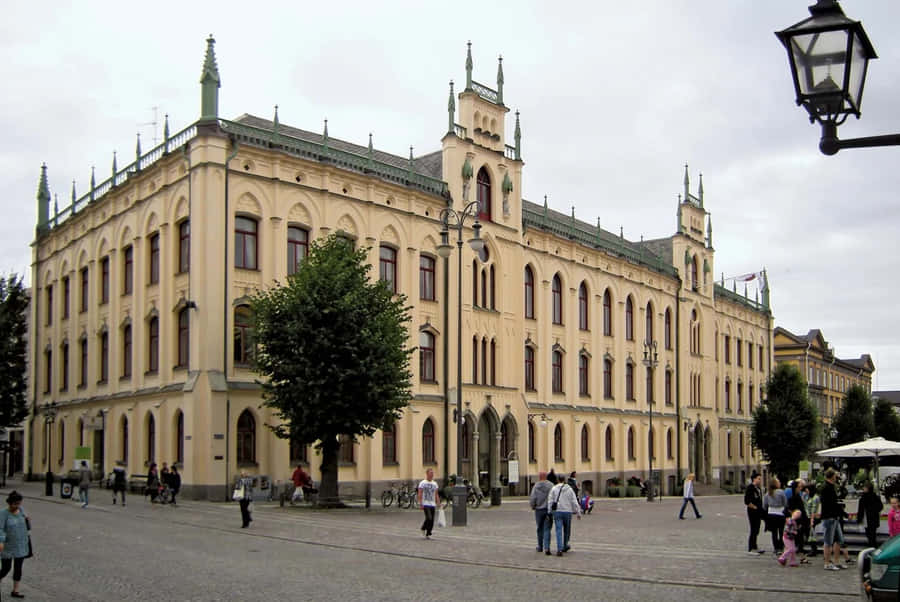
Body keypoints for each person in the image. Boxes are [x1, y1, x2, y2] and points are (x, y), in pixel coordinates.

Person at [0, 491, 29, 598]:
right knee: (6, 568)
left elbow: (25, 521)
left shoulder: (21, 510)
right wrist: (1, 541)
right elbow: (0, 529)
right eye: (15, 504)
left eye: (19, 503)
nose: (17, 506)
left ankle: (15, 591)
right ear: (9, 503)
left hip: (21, 544)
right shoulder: (3, 513)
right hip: (8, 546)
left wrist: (27, 520)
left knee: (18, 568)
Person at [548, 474, 581, 556]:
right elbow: (574, 501)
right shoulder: (569, 489)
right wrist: (578, 512)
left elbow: (550, 500)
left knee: (558, 530)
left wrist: (549, 511)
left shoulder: (554, 488)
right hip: (567, 511)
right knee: (567, 529)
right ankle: (565, 545)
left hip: (557, 511)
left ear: (558, 480)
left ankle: (559, 549)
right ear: (564, 480)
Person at [821, 468, 847, 570]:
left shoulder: (831, 487)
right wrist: (841, 511)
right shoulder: (827, 488)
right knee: (828, 541)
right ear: (832, 476)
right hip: (829, 517)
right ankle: (827, 563)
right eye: (835, 476)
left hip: (834, 517)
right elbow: (831, 503)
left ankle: (836, 561)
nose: (837, 477)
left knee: (839, 540)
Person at [529, 471, 554, 553]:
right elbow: (554, 496)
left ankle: (540, 546)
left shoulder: (536, 486)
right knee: (547, 529)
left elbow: (533, 497)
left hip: (539, 510)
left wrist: (533, 506)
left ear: (539, 477)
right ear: (546, 477)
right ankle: (547, 547)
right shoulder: (551, 485)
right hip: (548, 509)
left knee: (540, 528)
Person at [787, 479, 810, 562]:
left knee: (797, 540)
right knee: (798, 539)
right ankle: (799, 557)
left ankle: (794, 556)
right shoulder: (795, 498)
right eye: (799, 487)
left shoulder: (796, 497)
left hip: (798, 520)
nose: (800, 488)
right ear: (796, 488)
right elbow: (796, 510)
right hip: (798, 521)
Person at [763, 477, 787, 555]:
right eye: (778, 482)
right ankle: (781, 547)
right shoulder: (781, 492)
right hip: (780, 514)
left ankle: (776, 548)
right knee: (781, 532)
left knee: (774, 533)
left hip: (771, 514)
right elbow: (785, 503)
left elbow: (764, 506)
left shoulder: (767, 493)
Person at [744, 471, 765, 554]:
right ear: (754, 479)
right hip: (752, 512)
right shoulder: (750, 488)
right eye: (758, 479)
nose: (760, 480)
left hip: (758, 512)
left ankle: (755, 546)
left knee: (757, 529)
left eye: (760, 479)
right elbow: (747, 501)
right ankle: (751, 548)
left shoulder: (758, 488)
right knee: (753, 529)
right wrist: (754, 507)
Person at [859, 481, 884, 548]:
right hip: (868, 519)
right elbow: (861, 509)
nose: (863, 488)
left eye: (865, 487)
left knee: (871, 535)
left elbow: (880, 506)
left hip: (871, 519)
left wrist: (872, 511)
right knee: (870, 535)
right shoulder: (864, 497)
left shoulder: (873, 497)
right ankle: (872, 547)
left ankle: (872, 547)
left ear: (868, 488)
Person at [417, 468, 440, 539]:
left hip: (432, 503)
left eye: (432, 473)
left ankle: (428, 533)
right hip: (425, 503)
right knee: (429, 518)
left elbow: (436, 494)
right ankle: (423, 528)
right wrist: (420, 503)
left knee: (432, 520)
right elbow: (420, 493)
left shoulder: (435, 484)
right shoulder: (422, 483)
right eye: (430, 473)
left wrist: (438, 502)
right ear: (427, 474)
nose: (431, 474)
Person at [805, 483, 821, 557]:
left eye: (807, 490)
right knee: (809, 534)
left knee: (811, 534)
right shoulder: (809, 497)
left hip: (812, 517)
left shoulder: (815, 498)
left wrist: (812, 520)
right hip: (808, 517)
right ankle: (813, 549)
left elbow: (814, 509)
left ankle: (814, 549)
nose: (806, 492)